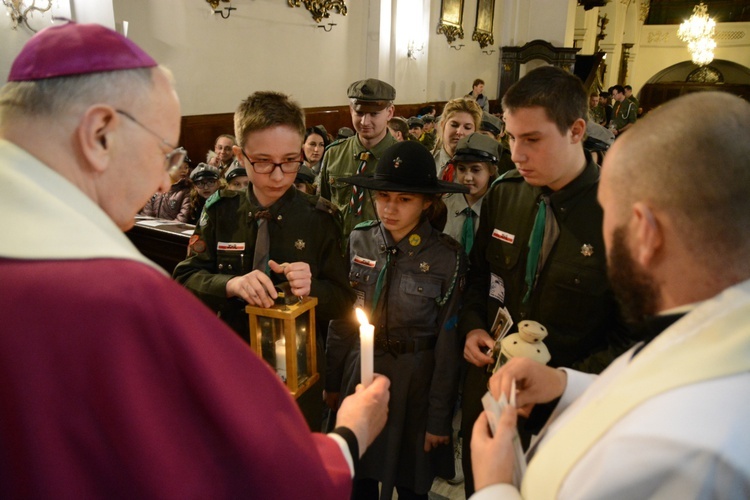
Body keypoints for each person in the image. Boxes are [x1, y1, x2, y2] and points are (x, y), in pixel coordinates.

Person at [0, 21, 390, 498]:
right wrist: (348, 439)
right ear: (99, 134)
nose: (166, 183)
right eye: (165, 153)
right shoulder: (116, 296)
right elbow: (230, 471)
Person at [470, 90, 750, 500]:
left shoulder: (684, 452)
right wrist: (565, 386)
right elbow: (647, 375)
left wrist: (495, 485)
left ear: (645, 231)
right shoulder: (715, 331)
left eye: (609, 213)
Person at [458, 66, 631, 497]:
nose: (516, 153)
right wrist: (473, 325)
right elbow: (479, 275)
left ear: (576, 130)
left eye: (532, 139)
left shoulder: (618, 213)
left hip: (570, 411)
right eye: (511, 138)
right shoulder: (506, 192)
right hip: (493, 394)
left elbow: (630, 339)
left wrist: (562, 383)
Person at [326, 141, 469, 500]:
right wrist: (332, 380)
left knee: (410, 484)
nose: (390, 208)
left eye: (404, 200)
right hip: (360, 372)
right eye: (384, 196)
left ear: (427, 203)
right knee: (356, 478)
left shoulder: (445, 256)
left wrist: (439, 417)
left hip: (414, 382)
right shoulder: (360, 240)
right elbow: (343, 318)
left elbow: (449, 342)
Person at [173, 91, 355, 342]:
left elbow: (343, 302)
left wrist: (311, 287)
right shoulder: (220, 210)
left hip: (298, 358)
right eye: (263, 162)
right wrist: (230, 285)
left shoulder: (320, 217)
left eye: (290, 160)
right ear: (240, 156)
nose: (278, 176)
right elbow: (185, 278)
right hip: (232, 347)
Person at [319, 78, 397, 242]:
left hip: (383, 250)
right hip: (339, 248)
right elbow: (323, 207)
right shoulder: (334, 154)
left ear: (389, 112)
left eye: (374, 114)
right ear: (350, 109)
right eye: (359, 113)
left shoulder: (403, 158)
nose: (365, 122)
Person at [443, 133, 499, 255]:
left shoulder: (499, 210)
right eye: (461, 169)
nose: (467, 178)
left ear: (492, 170)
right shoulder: (444, 206)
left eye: (476, 170)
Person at [433, 97, 482, 182]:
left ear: (475, 132)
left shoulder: (482, 168)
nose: (459, 132)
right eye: (454, 125)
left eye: (467, 127)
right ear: (442, 125)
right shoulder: (426, 161)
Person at [140, 155, 192, 221]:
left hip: (170, 230)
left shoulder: (187, 191)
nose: (184, 171)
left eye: (186, 167)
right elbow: (146, 213)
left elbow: (182, 218)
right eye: (179, 167)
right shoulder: (155, 187)